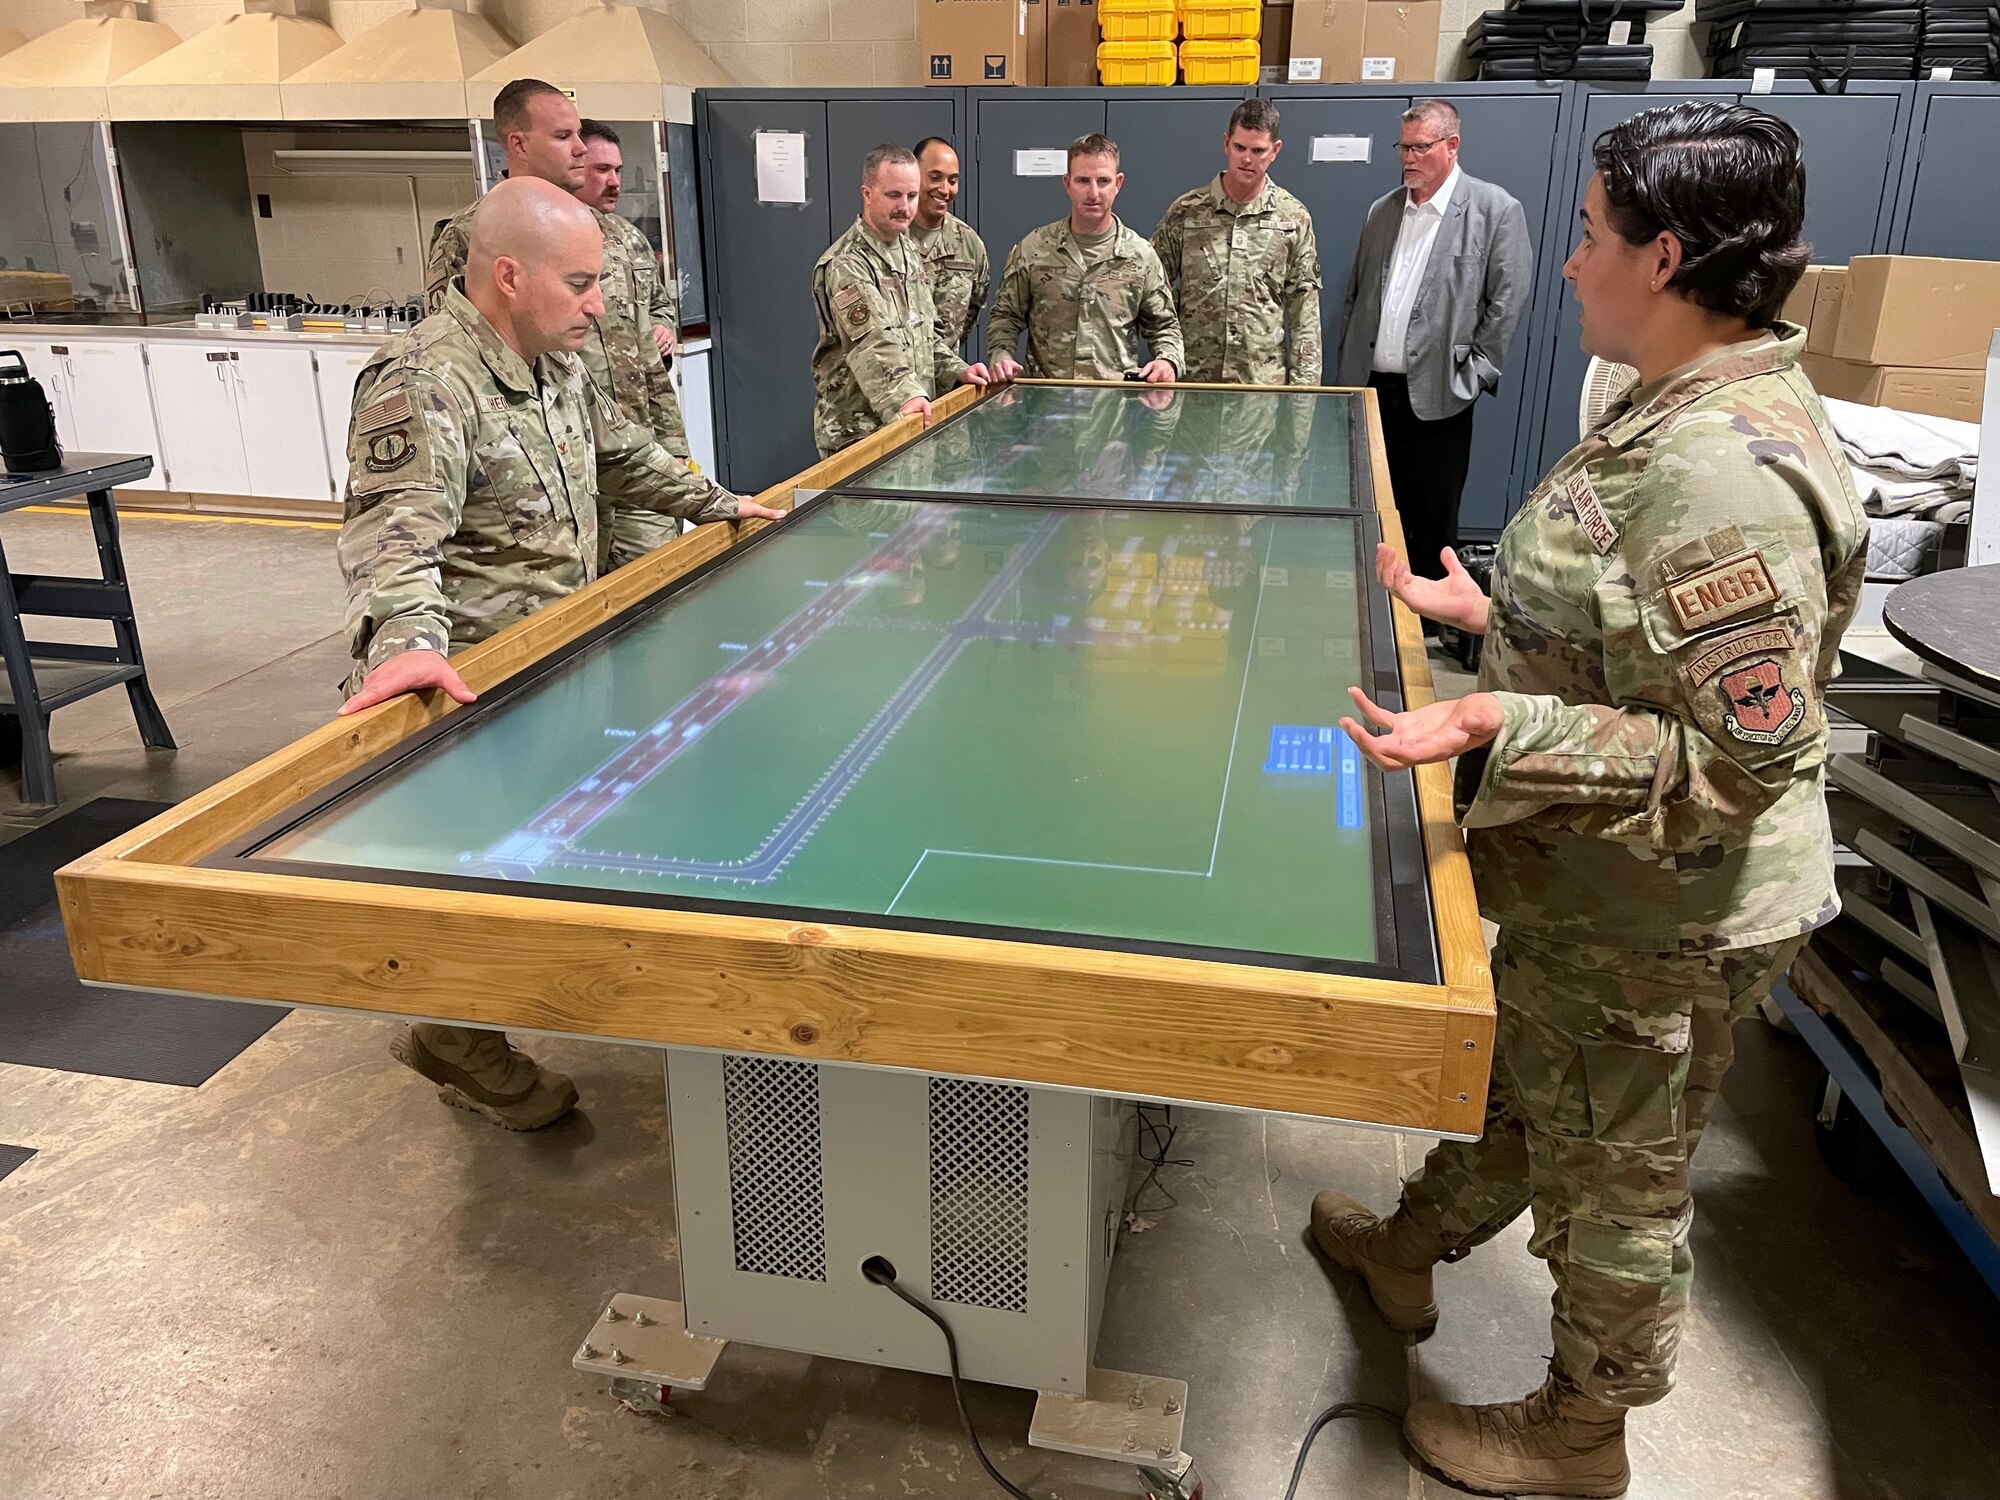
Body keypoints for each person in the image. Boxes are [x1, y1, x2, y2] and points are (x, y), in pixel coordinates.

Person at [1310, 103, 1867, 1498]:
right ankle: (1403, 1255)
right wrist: (1490, 617)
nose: (1567, 263)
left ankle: (1580, 1433)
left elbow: (1743, 761)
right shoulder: (1667, 409)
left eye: (1589, 234)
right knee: (1523, 1092)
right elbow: (1644, 643)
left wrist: (1504, 713)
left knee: (1617, 1180)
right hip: (1593, 894)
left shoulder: (1721, 467)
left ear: (1665, 256)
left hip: (1666, 913)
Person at [339, 177, 784, 1131]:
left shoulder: (552, 363)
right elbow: (395, 543)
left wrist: (723, 504)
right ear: (509, 275)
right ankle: (456, 1043)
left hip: (555, 666)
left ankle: (485, 1012)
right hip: (471, 691)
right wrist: (409, 650)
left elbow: (618, 453)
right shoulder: (426, 382)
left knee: (542, 856)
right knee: (472, 878)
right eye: (582, 283)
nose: (601, 302)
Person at [428, 85, 686, 573]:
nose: (582, 149)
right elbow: (462, 352)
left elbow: (648, 331)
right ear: (520, 144)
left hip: (628, 448)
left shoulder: (614, 235)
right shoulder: (472, 235)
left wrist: (672, 452)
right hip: (543, 473)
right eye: (565, 136)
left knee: (658, 591)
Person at [1335, 100, 1532, 590]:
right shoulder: (1383, 210)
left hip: (1439, 395)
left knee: (1429, 517)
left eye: (1420, 147)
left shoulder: (1494, 210)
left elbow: (1507, 301)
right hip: (1371, 392)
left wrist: (1477, 373)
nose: (1407, 157)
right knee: (1371, 507)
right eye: (1403, 146)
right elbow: (1357, 294)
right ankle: (1371, 609)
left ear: (1452, 145)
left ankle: (1421, 626)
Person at [810, 143, 991, 458]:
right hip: (861, 434)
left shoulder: (907, 251)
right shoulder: (847, 263)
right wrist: (907, 397)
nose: (905, 207)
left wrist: (957, 371)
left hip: (908, 424)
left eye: (911, 196)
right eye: (894, 195)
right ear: (868, 194)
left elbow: (924, 337)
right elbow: (872, 343)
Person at [1151, 98, 1322, 385]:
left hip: (1261, 391)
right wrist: (1165, 353)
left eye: (1258, 151)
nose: (1246, 159)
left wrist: (1304, 395)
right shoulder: (1187, 211)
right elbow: (1152, 288)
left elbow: (1305, 313)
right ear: (1226, 143)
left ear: (1275, 151)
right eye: (1240, 148)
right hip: (1195, 385)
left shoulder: (1293, 218)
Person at [987, 134, 1183, 384]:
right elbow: (1005, 316)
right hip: (1043, 406)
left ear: (1118, 184)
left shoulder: (1141, 256)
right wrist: (1001, 355)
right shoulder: (1034, 249)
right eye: (1083, 180)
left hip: (1113, 408)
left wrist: (1167, 361)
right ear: (1067, 183)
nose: (1093, 192)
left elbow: (1165, 327)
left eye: (1103, 181)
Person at [908, 136, 990, 356]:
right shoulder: (893, 236)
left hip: (944, 383)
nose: (945, 189)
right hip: (892, 384)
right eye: (935, 178)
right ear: (913, 175)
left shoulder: (969, 244)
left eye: (953, 180)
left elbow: (971, 315)